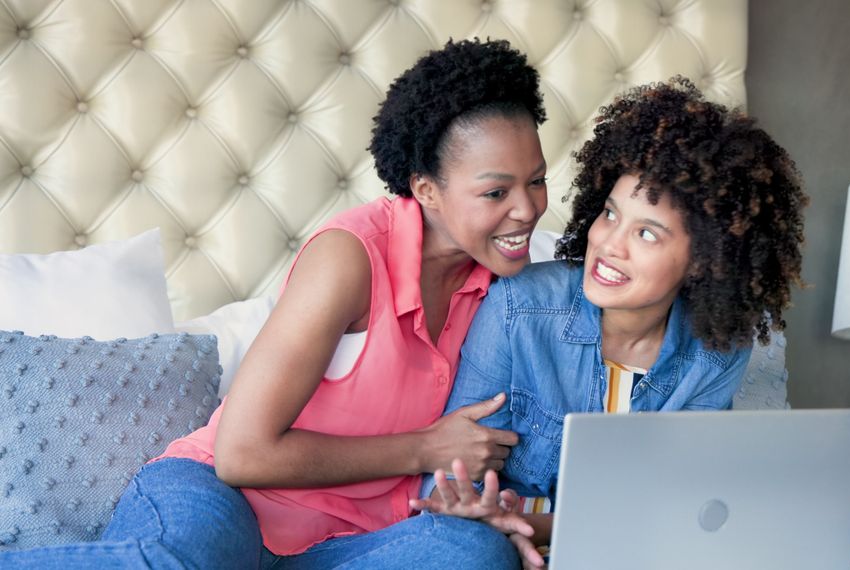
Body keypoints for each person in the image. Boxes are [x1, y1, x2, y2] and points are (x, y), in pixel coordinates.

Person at [0, 38, 548, 569]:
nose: (526, 210)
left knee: (473, 554)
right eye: (496, 193)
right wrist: (424, 449)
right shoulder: (352, 258)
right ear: (426, 189)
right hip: (223, 501)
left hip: (350, 544)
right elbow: (243, 454)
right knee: (176, 563)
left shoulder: (513, 291)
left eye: (538, 182)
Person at [411, 77, 813, 567]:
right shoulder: (520, 307)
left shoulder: (717, 349)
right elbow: (452, 486)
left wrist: (535, 527)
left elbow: (679, 507)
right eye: (610, 213)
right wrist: (491, 523)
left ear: (705, 260)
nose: (608, 245)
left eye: (646, 233)